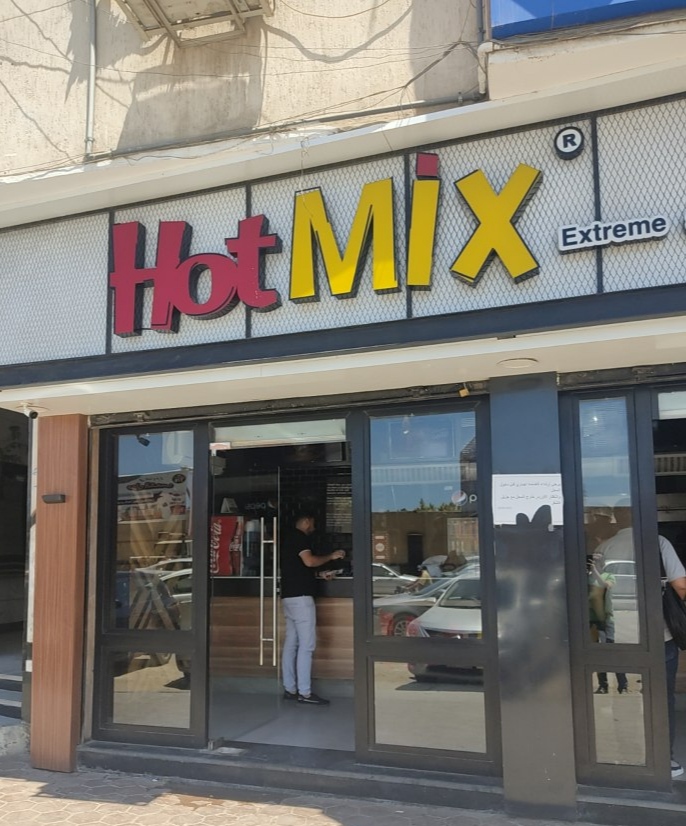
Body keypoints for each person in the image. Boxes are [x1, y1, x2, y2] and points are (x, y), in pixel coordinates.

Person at [595, 501, 686, 779]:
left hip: (619, 633)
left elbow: (596, 595)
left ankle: (626, 754)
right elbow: (680, 585)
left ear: (618, 518)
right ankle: (663, 760)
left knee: (622, 695)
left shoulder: (605, 548)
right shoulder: (659, 543)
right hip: (657, 633)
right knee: (660, 696)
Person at [280, 509, 345, 706]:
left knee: (291, 643)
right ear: (307, 521)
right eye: (313, 524)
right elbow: (309, 561)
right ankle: (305, 693)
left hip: (288, 597)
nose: (314, 528)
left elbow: (299, 569)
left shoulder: (288, 540)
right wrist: (331, 556)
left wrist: (319, 575)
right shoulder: (300, 538)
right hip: (301, 599)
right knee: (307, 645)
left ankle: (290, 689)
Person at [587, 549, 628, 694]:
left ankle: (622, 683)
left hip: (605, 620)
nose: (595, 562)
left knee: (611, 651)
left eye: (598, 560)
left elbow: (606, 585)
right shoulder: (586, 577)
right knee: (597, 654)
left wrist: (594, 571)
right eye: (593, 560)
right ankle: (603, 685)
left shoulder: (608, 575)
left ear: (602, 563)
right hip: (591, 620)